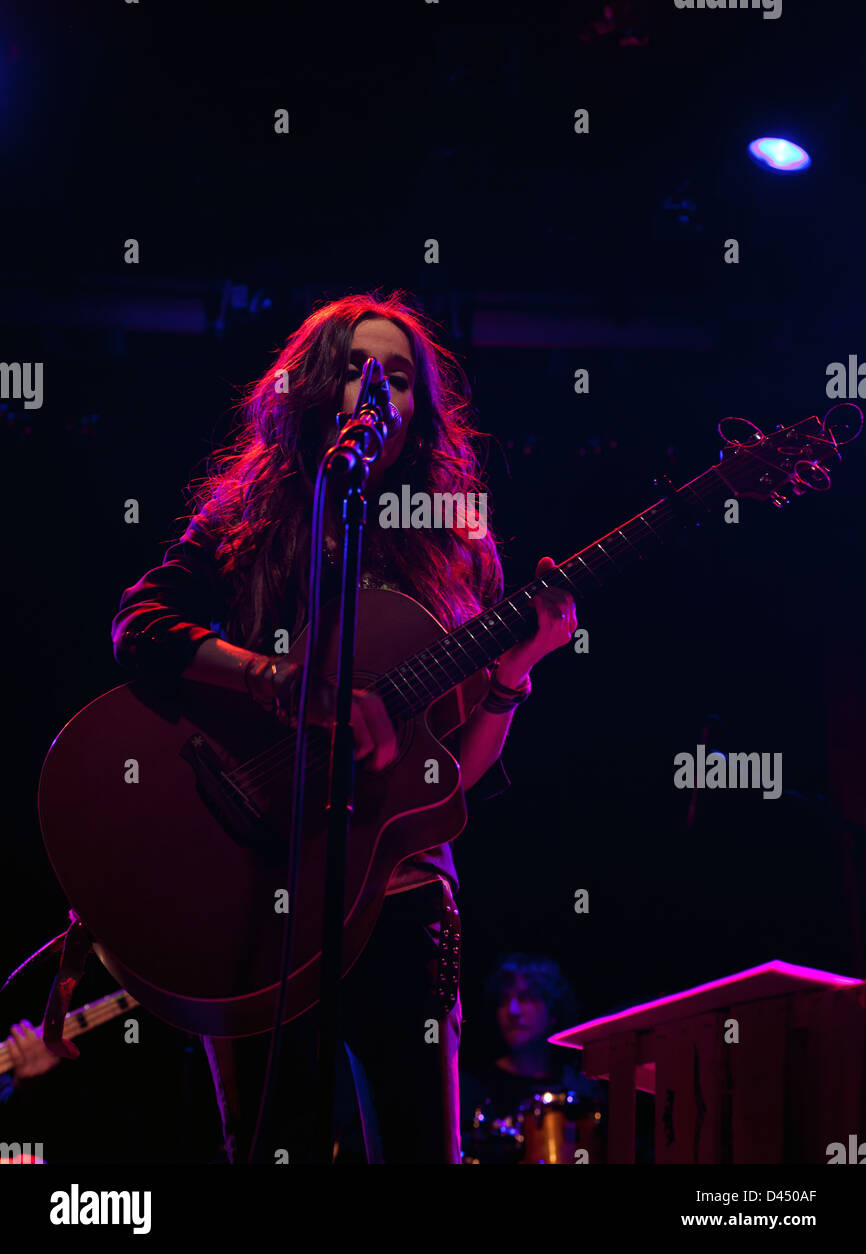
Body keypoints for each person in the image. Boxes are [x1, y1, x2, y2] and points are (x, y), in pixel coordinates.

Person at [110, 291, 578, 1164]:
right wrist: (279, 680)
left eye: (399, 379)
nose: (379, 394)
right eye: (358, 373)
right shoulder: (249, 523)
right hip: (256, 895)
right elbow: (142, 627)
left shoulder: (458, 543)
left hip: (400, 900)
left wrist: (515, 672)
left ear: (422, 408)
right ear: (314, 392)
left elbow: (452, 780)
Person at [460, 954, 607, 1163]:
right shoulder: (471, 1090)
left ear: (553, 1011)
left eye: (527, 997)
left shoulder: (583, 1088)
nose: (513, 1011)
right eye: (504, 1000)